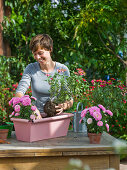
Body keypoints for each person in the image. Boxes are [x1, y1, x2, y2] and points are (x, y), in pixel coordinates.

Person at [15, 34, 73, 118]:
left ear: (50, 49)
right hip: (36, 117)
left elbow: (70, 99)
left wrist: (64, 105)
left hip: (56, 118)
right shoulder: (31, 68)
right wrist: (32, 109)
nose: (38, 57)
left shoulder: (62, 69)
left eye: (40, 53)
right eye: (35, 54)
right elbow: (19, 93)